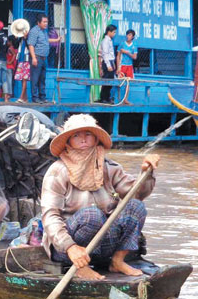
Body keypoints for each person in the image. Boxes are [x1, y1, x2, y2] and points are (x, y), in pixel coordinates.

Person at [41, 114, 160, 280]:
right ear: (68, 142)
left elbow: (137, 193)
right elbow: (50, 216)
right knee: (92, 215)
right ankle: (80, 268)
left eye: (88, 134)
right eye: (76, 135)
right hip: (67, 249)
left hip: (104, 244)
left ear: (96, 139)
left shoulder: (108, 167)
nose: (83, 139)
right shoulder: (57, 172)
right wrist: (70, 247)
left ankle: (117, 261)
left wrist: (146, 172)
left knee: (135, 206)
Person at [27, 14, 60, 103]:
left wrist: (56, 40)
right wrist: (33, 58)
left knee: (42, 79)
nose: (46, 24)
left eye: (47, 22)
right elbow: (31, 45)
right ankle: (35, 97)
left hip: (44, 59)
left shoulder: (44, 31)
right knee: (35, 79)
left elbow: (46, 40)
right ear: (39, 22)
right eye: (44, 22)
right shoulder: (34, 31)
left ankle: (42, 97)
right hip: (37, 57)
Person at [99, 24, 118, 104]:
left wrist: (113, 64)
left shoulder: (109, 41)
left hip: (111, 61)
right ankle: (104, 98)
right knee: (107, 81)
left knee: (110, 81)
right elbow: (105, 54)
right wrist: (108, 65)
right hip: (107, 62)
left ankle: (106, 97)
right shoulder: (105, 41)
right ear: (108, 32)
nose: (114, 34)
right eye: (113, 32)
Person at [14, 30, 31, 103]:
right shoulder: (20, 39)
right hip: (21, 59)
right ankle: (25, 98)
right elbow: (15, 46)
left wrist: (26, 38)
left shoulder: (29, 39)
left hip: (26, 60)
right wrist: (16, 38)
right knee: (22, 79)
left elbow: (29, 46)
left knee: (24, 79)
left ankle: (21, 97)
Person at [6, 37, 18, 102]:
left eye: (8, 41)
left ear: (10, 42)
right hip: (11, 66)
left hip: (9, 66)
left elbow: (14, 55)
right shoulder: (14, 48)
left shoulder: (10, 48)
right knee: (10, 80)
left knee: (8, 80)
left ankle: (9, 94)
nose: (7, 42)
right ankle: (10, 93)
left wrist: (10, 62)